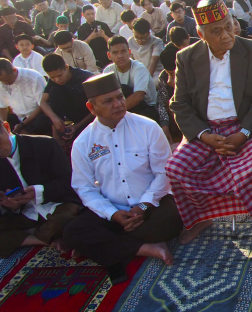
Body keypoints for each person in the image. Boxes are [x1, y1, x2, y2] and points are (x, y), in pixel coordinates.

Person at [167, 0, 252, 243]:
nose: (226, 35)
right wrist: (204, 135)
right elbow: (180, 104)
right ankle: (202, 217)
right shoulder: (186, 57)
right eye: (216, 31)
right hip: (206, 131)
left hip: (247, 127)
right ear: (200, 33)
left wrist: (244, 134)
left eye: (228, 26)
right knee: (176, 169)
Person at [63, 73, 182, 276]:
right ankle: (145, 248)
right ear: (91, 108)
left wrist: (143, 205)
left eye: (120, 97)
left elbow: (164, 173)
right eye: (108, 101)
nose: (118, 104)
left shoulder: (148, 127)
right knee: (72, 233)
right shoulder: (83, 142)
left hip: (152, 205)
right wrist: (112, 214)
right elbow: (84, 187)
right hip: (113, 210)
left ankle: (107, 244)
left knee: (173, 218)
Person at [0, 105, 80, 257]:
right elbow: (10, 201)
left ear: (6, 128)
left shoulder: (44, 144)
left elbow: (68, 182)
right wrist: (13, 206)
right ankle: (46, 239)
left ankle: (36, 234)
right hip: (28, 214)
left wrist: (38, 192)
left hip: (56, 206)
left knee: (67, 218)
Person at [40, 53, 95, 146]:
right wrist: (54, 118)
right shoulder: (54, 81)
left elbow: (97, 107)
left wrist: (77, 126)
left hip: (89, 114)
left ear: (66, 67)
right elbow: (43, 102)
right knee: (54, 91)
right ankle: (57, 137)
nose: (57, 80)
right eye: (52, 77)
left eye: (59, 76)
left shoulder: (85, 77)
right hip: (70, 113)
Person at [101, 36, 158, 122]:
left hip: (147, 108)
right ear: (109, 55)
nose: (120, 56)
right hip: (123, 108)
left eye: (123, 51)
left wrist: (114, 113)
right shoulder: (108, 70)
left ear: (129, 52)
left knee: (124, 89)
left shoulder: (139, 68)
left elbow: (138, 96)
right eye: (115, 53)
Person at [0, 58, 50, 135]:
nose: (5, 83)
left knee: (42, 121)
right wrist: (3, 126)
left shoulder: (34, 78)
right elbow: (2, 107)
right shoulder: (1, 82)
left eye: (7, 80)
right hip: (18, 118)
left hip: (36, 116)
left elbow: (43, 105)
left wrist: (22, 125)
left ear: (14, 70)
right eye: (2, 81)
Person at [155, 45, 182, 147]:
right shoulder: (163, 76)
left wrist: (177, 87)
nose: (172, 77)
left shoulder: (193, 71)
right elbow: (161, 103)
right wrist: (164, 125)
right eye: (169, 74)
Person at [77, 4, 113, 69]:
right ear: (83, 15)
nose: (91, 16)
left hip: (105, 54)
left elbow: (112, 42)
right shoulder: (81, 28)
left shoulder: (103, 25)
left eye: (92, 14)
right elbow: (80, 46)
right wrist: (90, 38)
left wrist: (104, 35)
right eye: (88, 14)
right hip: (91, 56)